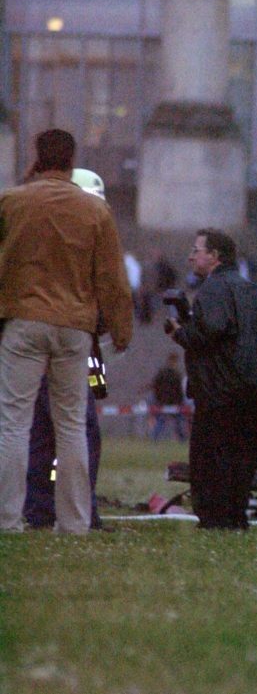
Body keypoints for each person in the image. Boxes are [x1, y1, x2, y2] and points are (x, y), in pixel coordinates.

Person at [0, 129, 133, 535]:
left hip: (23, 321)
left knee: (13, 423)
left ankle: (7, 519)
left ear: (37, 157)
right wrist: (121, 330)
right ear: (72, 160)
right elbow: (112, 278)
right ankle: (74, 522)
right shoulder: (94, 211)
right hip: (75, 327)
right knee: (72, 424)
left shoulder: (12, 202)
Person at [166, 228, 257, 530]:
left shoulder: (213, 289)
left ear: (214, 256)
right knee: (243, 460)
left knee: (209, 461)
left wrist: (180, 333)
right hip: (254, 392)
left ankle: (215, 519)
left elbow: (211, 329)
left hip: (218, 393)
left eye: (197, 249)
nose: (190, 255)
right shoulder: (252, 290)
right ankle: (236, 517)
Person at [23, 168, 113, 531]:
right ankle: (80, 511)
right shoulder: (85, 247)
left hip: (36, 354)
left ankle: (39, 509)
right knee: (80, 434)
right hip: (68, 354)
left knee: (39, 438)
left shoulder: (39, 238)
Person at [150, 351, 189, 441]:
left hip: (163, 401)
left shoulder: (162, 372)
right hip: (174, 402)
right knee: (178, 422)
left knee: (161, 421)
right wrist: (181, 402)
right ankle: (182, 439)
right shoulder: (177, 375)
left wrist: (158, 398)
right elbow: (179, 390)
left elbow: (156, 386)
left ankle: (155, 439)